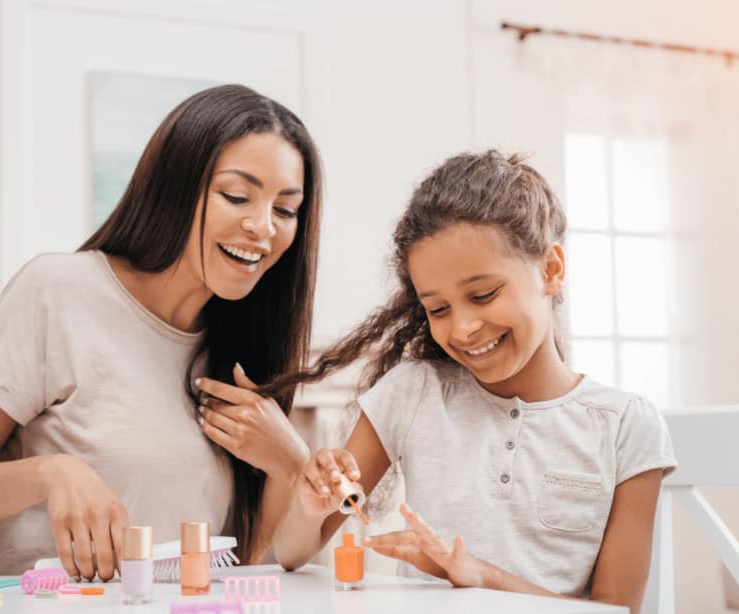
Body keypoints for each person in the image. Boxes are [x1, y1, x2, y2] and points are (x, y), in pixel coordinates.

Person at [0, 84, 322, 580]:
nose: (263, 227)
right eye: (237, 196)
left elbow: (241, 568)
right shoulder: (58, 292)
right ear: (177, 185)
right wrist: (51, 472)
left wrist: (287, 464)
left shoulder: (243, 349)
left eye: (285, 209)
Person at [268, 151, 676, 613]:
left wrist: (483, 577)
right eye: (438, 309)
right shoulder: (414, 392)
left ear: (551, 270)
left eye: (483, 295)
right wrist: (310, 504)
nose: (462, 328)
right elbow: (292, 553)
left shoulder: (624, 425)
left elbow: (616, 609)